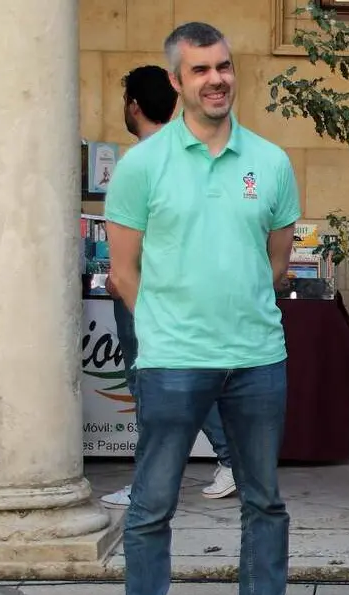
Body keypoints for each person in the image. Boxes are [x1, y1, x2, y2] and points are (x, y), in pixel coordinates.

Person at [105, 22, 301, 595]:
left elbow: (276, 264)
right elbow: (123, 271)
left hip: (255, 357)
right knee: (152, 506)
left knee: (264, 502)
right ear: (176, 82)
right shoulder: (141, 166)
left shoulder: (270, 162)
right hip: (171, 361)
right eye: (200, 71)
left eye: (223, 66)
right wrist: (163, 334)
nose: (216, 79)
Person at [100, 64, 237, 510]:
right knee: (195, 378)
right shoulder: (192, 154)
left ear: (133, 106)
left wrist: (124, 282)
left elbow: (132, 245)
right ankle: (227, 459)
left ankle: (151, 481)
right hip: (187, 292)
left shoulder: (141, 162)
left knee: (151, 385)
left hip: (147, 292)